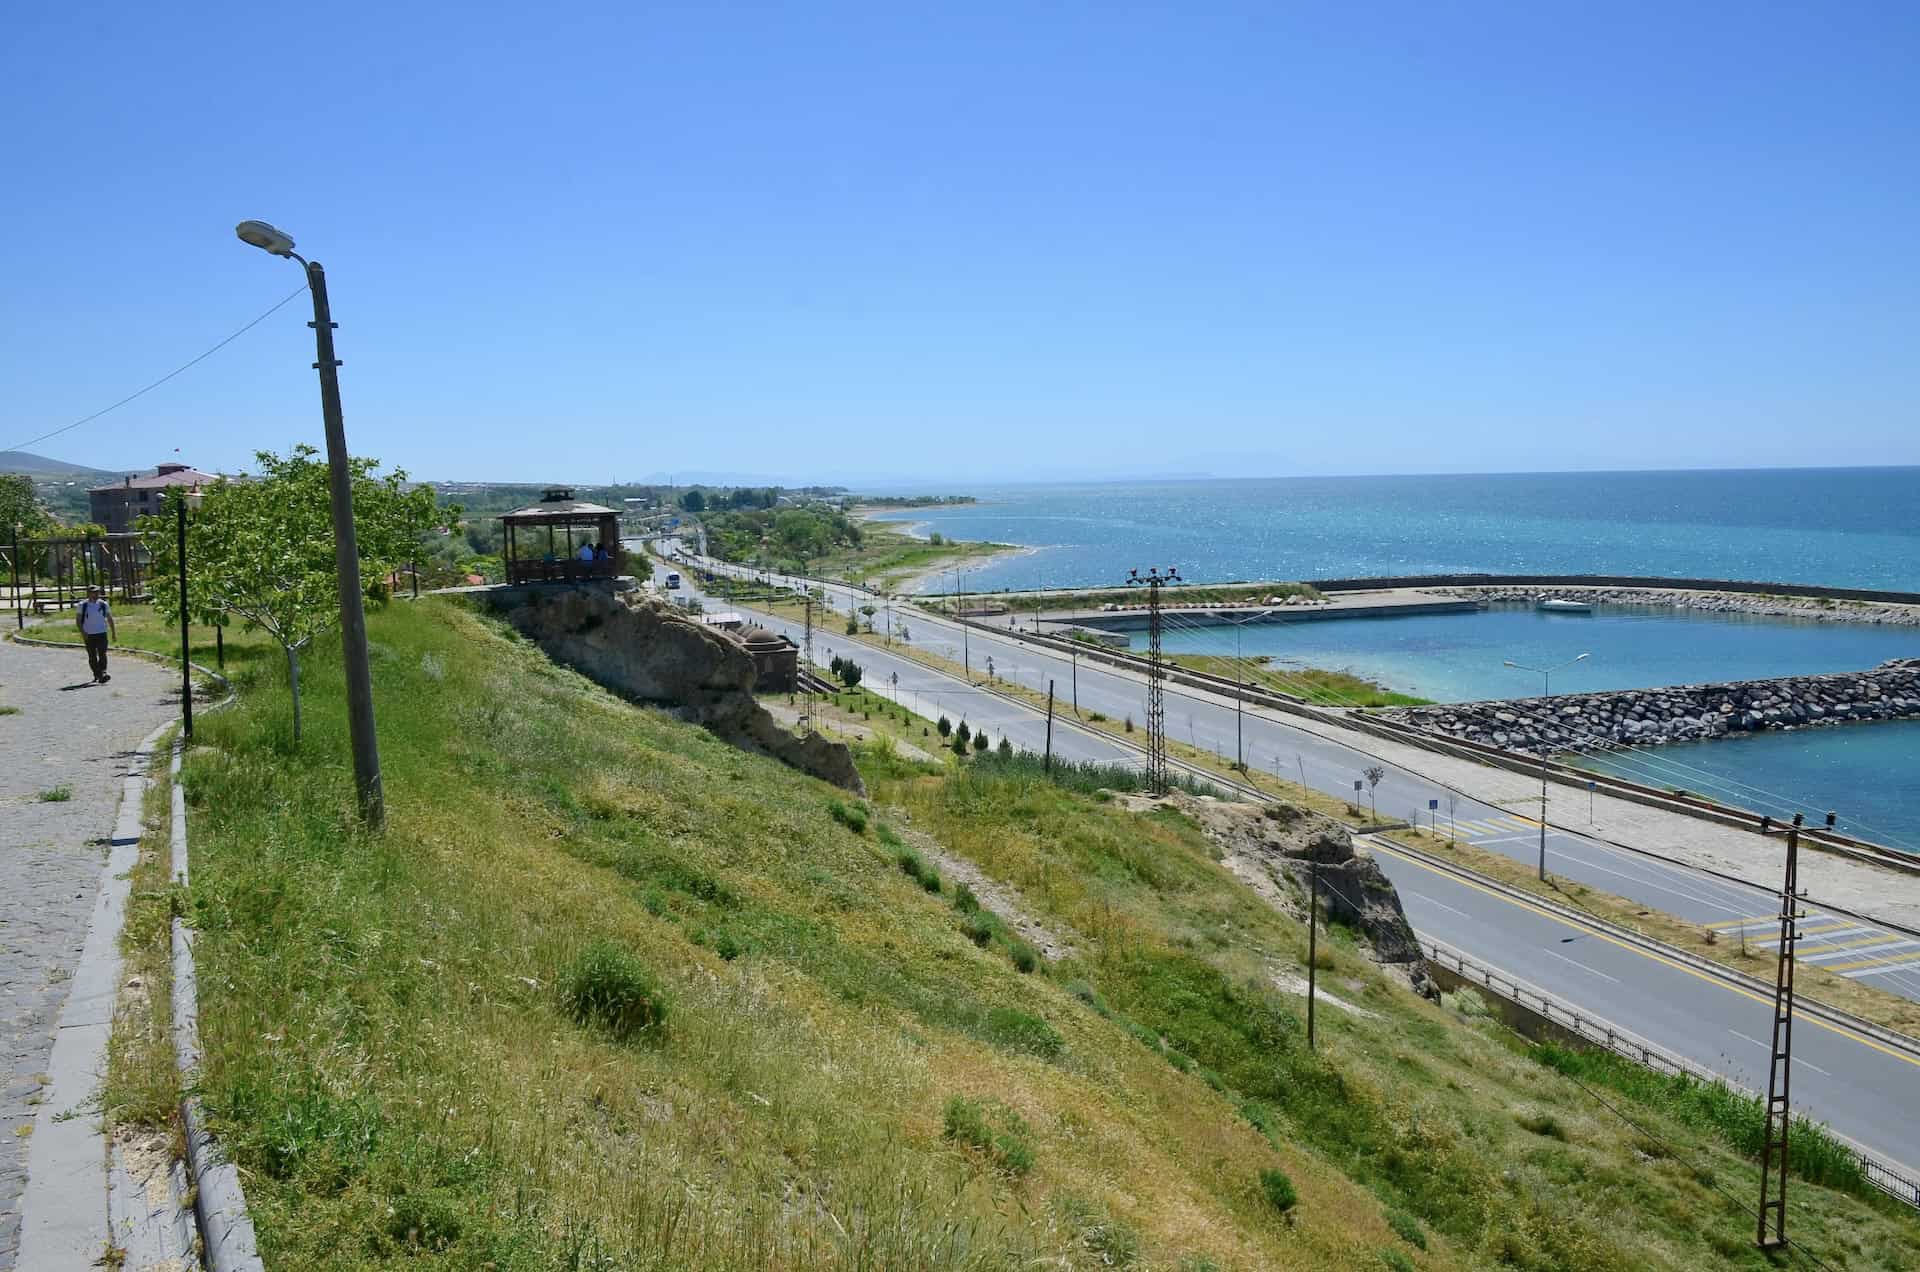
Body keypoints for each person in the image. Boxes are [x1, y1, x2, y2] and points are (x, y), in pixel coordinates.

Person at [76, 586, 117, 683]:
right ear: (88, 593)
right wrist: (83, 632)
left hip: (102, 633)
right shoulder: (82, 605)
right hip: (89, 634)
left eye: (97, 592)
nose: (96, 594)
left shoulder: (103, 604)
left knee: (102, 654)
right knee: (92, 656)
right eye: (93, 592)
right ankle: (97, 674)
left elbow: (109, 618)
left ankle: (102, 672)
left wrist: (113, 633)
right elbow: (78, 620)